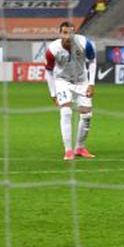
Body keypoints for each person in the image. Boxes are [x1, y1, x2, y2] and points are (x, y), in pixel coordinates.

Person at [44, 21, 96, 160]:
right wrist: (53, 93)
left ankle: (80, 147)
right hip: (62, 81)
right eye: (65, 33)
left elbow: (92, 61)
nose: (68, 36)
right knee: (66, 112)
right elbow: (48, 72)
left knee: (87, 116)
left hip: (81, 81)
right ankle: (68, 151)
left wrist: (91, 83)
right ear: (60, 34)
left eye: (70, 32)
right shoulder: (52, 49)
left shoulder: (85, 43)